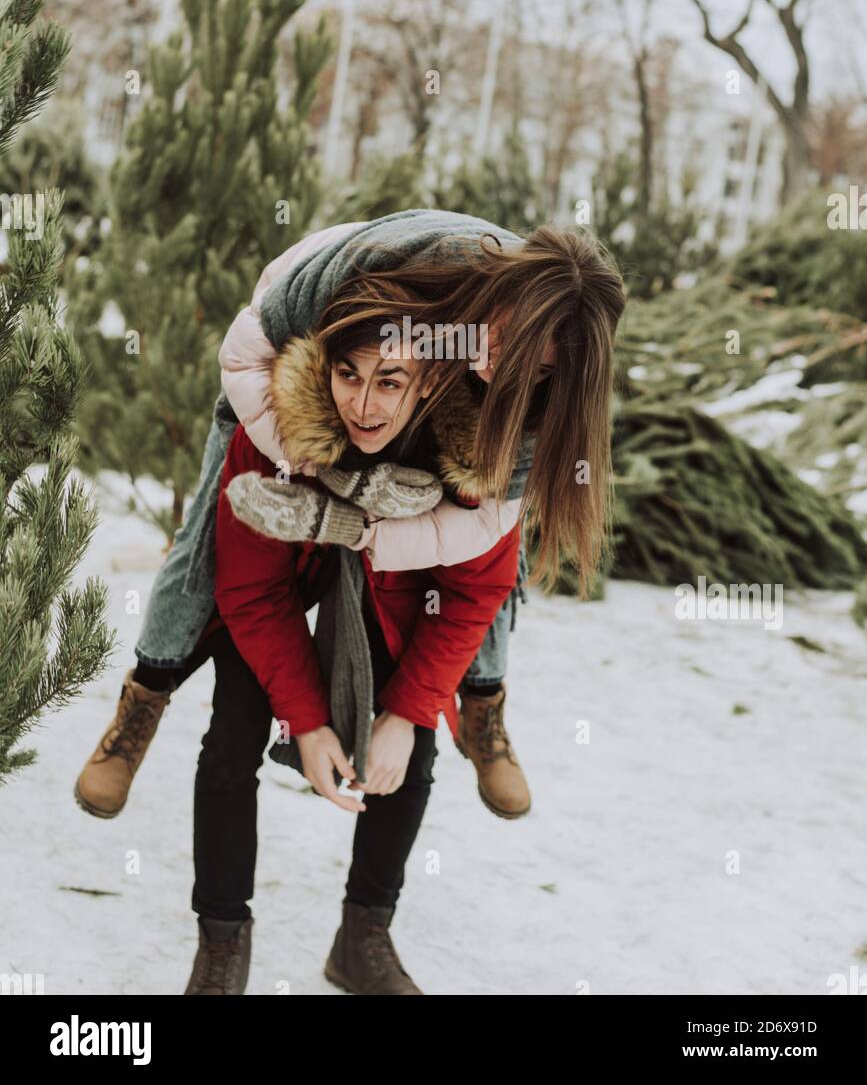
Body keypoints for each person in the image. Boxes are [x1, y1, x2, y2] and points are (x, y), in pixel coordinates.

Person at [74, 210, 626, 821]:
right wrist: (314, 463)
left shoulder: (528, 386)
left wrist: (370, 531)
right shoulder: (387, 267)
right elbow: (246, 355)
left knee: (493, 557)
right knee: (209, 531)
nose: (508, 371)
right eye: (506, 345)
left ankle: (483, 706)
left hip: (421, 386)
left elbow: (487, 524)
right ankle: (144, 699)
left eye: (539, 370)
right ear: (499, 298)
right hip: (296, 361)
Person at [186, 314, 521, 993]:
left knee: (412, 750)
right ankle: (221, 944)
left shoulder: (467, 450)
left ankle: (362, 935)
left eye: (388, 380)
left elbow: (473, 590)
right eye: (348, 375)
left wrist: (406, 711)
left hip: (399, 585)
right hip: (284, 578)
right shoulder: (278, 429)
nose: (363, 405)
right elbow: (250, 589)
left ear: (427, 379)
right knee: (232, 735)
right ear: (324, 368)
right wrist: (305, 722)